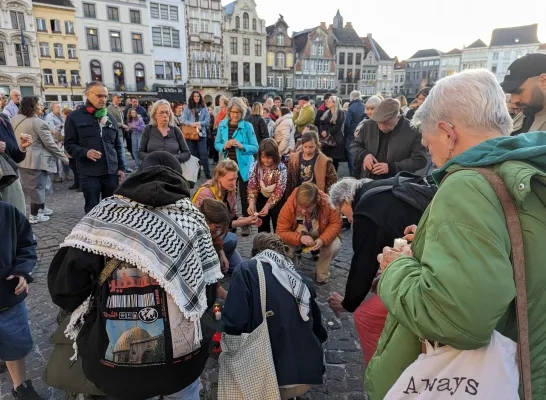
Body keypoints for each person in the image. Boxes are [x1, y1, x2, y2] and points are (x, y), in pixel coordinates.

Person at [366, 69, 546, 399]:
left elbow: (458, 319)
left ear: (449, 134)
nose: (430, 154)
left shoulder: (467, 185)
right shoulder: (529, 168)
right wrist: (433, 240)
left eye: (429, 141)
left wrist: (396, 269)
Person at [48, 151, 222, 400]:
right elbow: (207, 292)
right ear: (180, 179)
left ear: (137, 175)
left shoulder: (103, 217)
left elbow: (64, 290)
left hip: (116, 369)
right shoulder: (193, 220)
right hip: (183, 364)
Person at [327, 177, 434, 364]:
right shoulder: (376, 189)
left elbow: (363, 261)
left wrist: (348, 303)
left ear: (346, 200)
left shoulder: (365, 212)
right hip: (427, 247)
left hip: (429, 267)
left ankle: (381, 368)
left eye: (343, 213)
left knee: (365, 317)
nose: (348, 220)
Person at [222, 232, 327, 400]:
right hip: (306, 375)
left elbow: (234, 322)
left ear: (254, 252)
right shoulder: (299, 278)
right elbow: (319, 331)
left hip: (268, 377)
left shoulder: (246, 270)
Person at [0, 200, 41, 400]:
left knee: (15, 345)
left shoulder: (7, 212)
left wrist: (22, 270)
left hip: (8, 297)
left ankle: (20, 385)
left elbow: (27, 243)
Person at [65, 82, 125, 214]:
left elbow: (117, 145)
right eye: (99, 96)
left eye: (105, 96)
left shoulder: (109, 117)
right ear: (88, 95)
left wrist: (121, 167)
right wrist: (85, 152)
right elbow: (69, 144)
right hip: (89, 173)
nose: (103, 99)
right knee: (92, 210)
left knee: (112, 209)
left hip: (111, 172)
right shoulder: (74, 117)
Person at [11, 96, 69, 224]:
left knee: (37, 186)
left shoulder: (14, 119)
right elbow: (50, 144)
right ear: (33, 106)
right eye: (40, 104)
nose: (42, 107)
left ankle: (41, 208)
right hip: (36, 161)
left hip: (22, 157)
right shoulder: (38, 122)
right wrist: (64, 158)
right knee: (37, 188)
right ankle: (34, 215)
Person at [192, 159, 256, 271]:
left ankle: (221, 259)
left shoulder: (230, 190)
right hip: (206, 236)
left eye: (236, 179)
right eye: (230, 179)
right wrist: (245, 222)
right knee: (231, 239)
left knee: (239, 268)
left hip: (219, 233)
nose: (234, 183)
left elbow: (233, 217)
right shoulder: (206, 194)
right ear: (219, 178)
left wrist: (248, 219)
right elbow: (216, 226)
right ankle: (214, 260)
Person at [276, 182, 342, 284]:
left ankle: (321, 273)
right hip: (297, 237)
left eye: (307, 208)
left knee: (335, 245)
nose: (303, 211)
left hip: (319, 235)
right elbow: (280, 232)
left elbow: (335, 223)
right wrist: (300, 238)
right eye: (300, 207)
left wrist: (322, 239)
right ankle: (292, 271)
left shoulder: (326, 202)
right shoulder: (289, 206)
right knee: (285, 247)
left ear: (316, 202)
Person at [350, 98, 427, 180]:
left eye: (386, 123)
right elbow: (354, 146)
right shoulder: (369, 125)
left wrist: (392, 167)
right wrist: (364, 155)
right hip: (367, 179)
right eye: (379, 123)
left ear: (397, 117)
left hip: (396, 183)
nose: (381, 127)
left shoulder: (413, 130)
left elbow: (419, 160)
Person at [214, 97, 259, 236]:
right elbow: (217, 144)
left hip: (244, 166)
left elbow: (255, 147)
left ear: (242, 112)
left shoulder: (247, 126)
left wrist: (242, 146)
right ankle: (229, 222)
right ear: (228, 111)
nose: (235, 115)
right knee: (227, 195)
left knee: (245, 196)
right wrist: (224, 145)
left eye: (238, 112)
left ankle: (246, 224)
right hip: (228, 166)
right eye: (233, 112)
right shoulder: (222, 124)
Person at [247, 139, 287, 233]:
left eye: (269, 158)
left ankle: (278, 245)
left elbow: (279, 190)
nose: (266, 160)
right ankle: (263, 245)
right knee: (262, 226)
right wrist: (251, 203)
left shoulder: (281, 168)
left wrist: (268, 206)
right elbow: (252, 186)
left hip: (277, 201)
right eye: (263, 157)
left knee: (278, 225)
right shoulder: (255, 166)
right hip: (261, 198)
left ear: (275, 156)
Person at [501, 53, 546, 133]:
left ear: (543, 81)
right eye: (511, 93)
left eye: (518, 91)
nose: (513, 101)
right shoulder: (524, 115)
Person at [285, 131, 337, 199]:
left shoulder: (324, 161)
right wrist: (288, 196)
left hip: (315, 195)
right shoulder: (294, 158)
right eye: (305, 147)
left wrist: (326, 197)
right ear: (302, 145)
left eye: (311, 147)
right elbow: (289, 178)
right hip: (298, 193)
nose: (308, 150)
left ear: (316, 145)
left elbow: (332, 180)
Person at [198, 198, 233, 299]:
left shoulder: (207, 228)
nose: (218, 231)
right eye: (217, 227)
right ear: (206, 220)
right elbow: (204, 265)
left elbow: (216, 239)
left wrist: (222, 254)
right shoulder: (196, 235)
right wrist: (219, 289)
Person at [138, 99, 191, 165]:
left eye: (167, 112)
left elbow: (187, 153)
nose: (165, 115)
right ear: (155, 115)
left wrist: (173, 158)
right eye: (161, 112)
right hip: (152, 169)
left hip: (173, 169)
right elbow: (140, 152)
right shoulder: (148, 129)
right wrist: (153, 159)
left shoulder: (176, 130)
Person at [0, 114, 32, 213]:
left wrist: (22, 148)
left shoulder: (3, 119)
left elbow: (14, 157)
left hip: (8, 176)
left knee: (16, 215)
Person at [182, 90, 211, 179]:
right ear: (192, 97)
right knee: (193, 155)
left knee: (203, 154)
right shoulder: (188, 108)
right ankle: (196, 173)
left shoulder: (204, 107)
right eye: (194, 96)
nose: (196, 98)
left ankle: (207, 173)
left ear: (200, 97)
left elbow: (207, 120)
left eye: (198, 96)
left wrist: (200, 123)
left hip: (202, 134)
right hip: (190, 134)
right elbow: (183, 119)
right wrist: (191, 124)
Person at [319, 95, 345, 171]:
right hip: (325, 141)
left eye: (329, 101)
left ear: (334, 103)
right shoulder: (327, 112)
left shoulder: (340, 112)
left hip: (335, 140)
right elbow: (321, 123)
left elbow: (338, 126)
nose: (327, 102)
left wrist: (327, 132)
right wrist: (322, 131)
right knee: (326, 160)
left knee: (334, 162)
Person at [107, 93, 131, 173]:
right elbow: (110, 121)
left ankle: (121, 167)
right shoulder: (110, 108)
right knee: (121, 150)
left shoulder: (118, 108)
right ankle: (124, 168)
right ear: (113, 98)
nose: (120, 99)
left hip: (121, 132)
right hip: (116, 132)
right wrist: (122, 125)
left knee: (121, 149)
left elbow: (121, 119)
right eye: (118, 97)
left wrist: (125, 126)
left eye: (121, 97)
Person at [344, 91, 365, 177]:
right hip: (363, 134)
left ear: (352, 98)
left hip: (352, 135)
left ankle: (353, 176)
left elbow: (347, 123)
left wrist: (345, 136)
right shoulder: (364, 106)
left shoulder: (351, 107)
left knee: (351, 156)